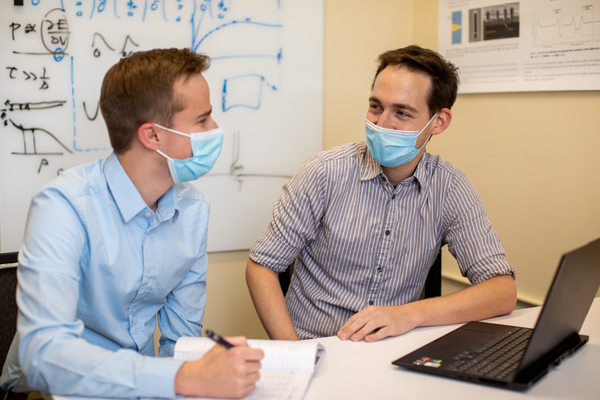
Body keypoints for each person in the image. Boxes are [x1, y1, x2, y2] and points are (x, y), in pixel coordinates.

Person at [0, 48, 263, 398]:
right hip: (54, 390)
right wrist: (181, 379)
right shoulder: (63, 206)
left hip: (145, 388)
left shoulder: (193, 209)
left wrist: (191, 380)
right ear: (152, 136)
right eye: (202, 120)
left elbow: (179, 339)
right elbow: (44, 356)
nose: (215, 129)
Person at [246, 44, 517, 343]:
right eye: (376, 106)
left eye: (401, 112)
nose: (381, 123)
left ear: (438, 122)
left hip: (389, 353)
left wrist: (411, 314)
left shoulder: (450, 188)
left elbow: (501, 291)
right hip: (315, 345)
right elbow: (262, 267)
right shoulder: (324, 172)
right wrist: (294, 356)